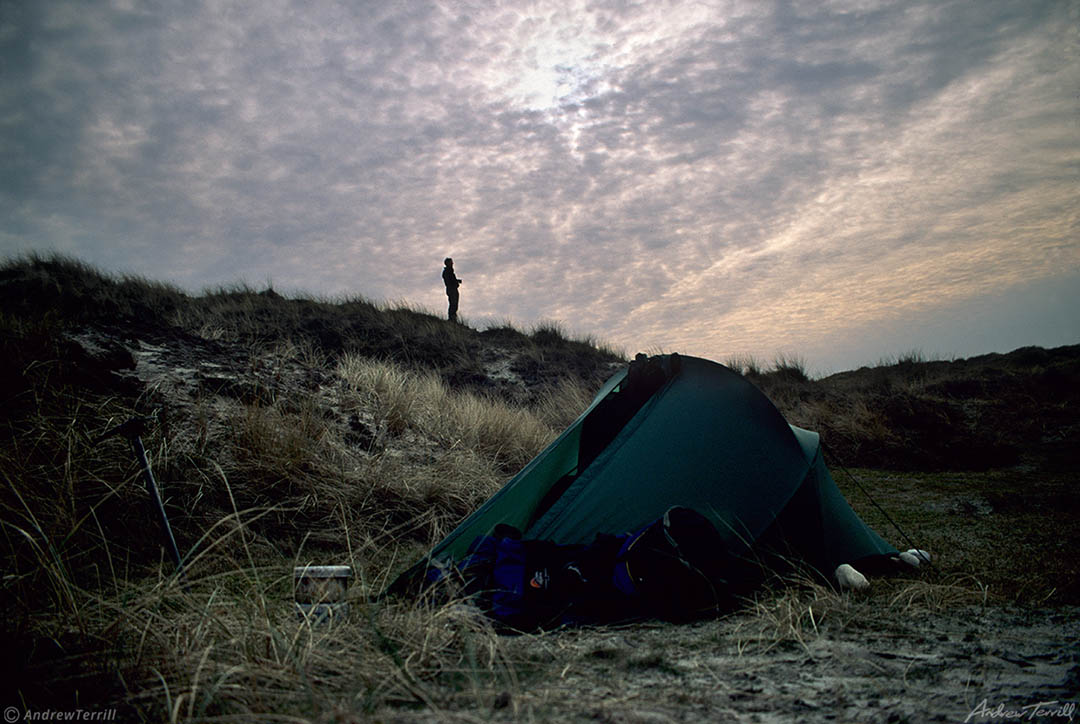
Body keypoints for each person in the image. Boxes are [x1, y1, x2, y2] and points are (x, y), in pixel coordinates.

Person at [442, 257, 461, 322]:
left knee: (454, 304)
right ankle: (452, 319)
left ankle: (453, 319)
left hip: (452, 289)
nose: (452, 263)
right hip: (451, 290)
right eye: (451, 262)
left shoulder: (449, 271)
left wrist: (457, 281)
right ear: (447, 263)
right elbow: (449, 282)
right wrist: (455, 282)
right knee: (453, 304)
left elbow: (451, 280)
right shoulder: (447, 271)